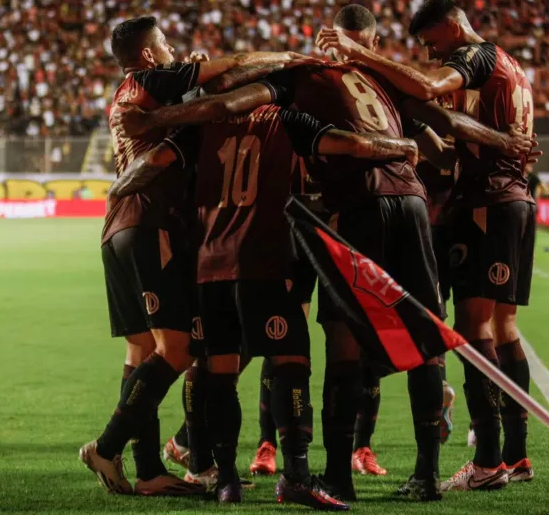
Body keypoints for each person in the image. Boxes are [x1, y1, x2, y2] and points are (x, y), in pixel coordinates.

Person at [117, 47, 534, 502]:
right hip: (331, 228)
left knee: (235, 362)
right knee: (341, 350)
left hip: (232, 255)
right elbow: (427, 139)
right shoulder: (352, 91)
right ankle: (392, 472)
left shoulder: (214, 121)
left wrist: (125, 182)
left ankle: (225, 474)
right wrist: (415, 147)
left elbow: (180, 139)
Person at [112, 79, 422, 508]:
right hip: (264, 261)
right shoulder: (284, 118)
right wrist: (395, 146)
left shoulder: (203, 124)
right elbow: (345, 143)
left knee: (220, 373)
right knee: (290, 362)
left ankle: (225, 481)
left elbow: (156, 159)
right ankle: (295, 476)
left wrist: (119, 189)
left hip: (209, 266)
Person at [318, 0, 539, 492]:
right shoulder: (508, 67)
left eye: (433, 43)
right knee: (503, 325)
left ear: (453, 28)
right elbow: (446, 143)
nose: (432, 55)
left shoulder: (478, 57)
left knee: (471, 325)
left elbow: (429, 86)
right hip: (510, 198)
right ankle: (515, 455)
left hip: (488, 200)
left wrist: (361, 53)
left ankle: (486, 461)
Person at [81, 16, 296, 496]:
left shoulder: (130, 93)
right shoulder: (153, 78)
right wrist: (288, 58)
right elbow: (236, 65)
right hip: (150, 220)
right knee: (176, 350)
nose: (174, 48)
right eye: (165, 42)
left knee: (140, 352)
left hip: (117, 225)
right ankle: (107, 446)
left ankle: (149, 471)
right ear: (148, 55)